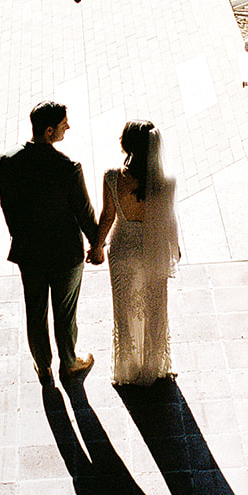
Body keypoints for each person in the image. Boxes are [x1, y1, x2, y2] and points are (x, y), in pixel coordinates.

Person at [0, 100, 99, 384]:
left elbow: (8, 206)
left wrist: (20, 236)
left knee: (35, 310)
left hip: (29, 253)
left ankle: (43, 365)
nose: (69, 127)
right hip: (66, 255)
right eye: (64, 124)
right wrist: (97, 244)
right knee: (65, 313)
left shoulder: (9, 160)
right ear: (49, 131)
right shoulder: (68, 168)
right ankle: (69, 363)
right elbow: (84, 212)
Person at [88, 120, 180, 386]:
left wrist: (97, 246)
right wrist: (174, 248)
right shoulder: (166, 182)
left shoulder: (112, 177)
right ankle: (154, 365)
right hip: (153, 247)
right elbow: (168, 220)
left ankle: (127, 367)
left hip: (123, 247)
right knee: (155, 307)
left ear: (126, 144)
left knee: (124, 308)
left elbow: (107, 216)